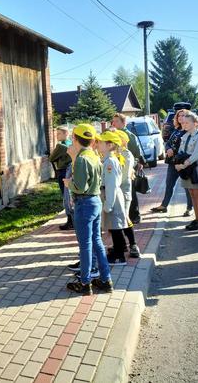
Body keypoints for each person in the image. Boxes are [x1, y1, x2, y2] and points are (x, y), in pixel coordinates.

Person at [64, 124, 113, 295]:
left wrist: (69, 183)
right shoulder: (93, 155)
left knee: (85, 246)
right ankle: (106, 280)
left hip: (84, 203)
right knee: (97, 242)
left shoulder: (81, 159)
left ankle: (85, 283)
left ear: (75, 139)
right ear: (92, 140)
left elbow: (80, 186)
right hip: (95, 201)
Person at [150, 109, 194, 216]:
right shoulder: (176, 129)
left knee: (187, 186)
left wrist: (174, 151)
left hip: (183, 163)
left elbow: (188, 147)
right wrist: (168, 148)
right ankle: (164, 206)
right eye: (179, 116)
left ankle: (189, 208)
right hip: (172, 162)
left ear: (188, 117)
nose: (181, 117)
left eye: (183, 115)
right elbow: (168, 142)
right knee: (169, 184)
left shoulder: (189, 131)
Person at [174, 112, 198, 230]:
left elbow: (196, 155)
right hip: (186, 167)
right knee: (192, 193)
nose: (184, 124)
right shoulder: (184, 136)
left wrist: (182, 166)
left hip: (196, 166)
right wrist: (177, 163)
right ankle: (197, 219)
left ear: (195, 123)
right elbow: (180, 151)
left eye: (186, 122)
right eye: (183, 122)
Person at [98, 131, 128, 265]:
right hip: (111, 196)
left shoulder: (110, 162)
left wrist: (108, 204)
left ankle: (119, 256)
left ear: (110, 145)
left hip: (112, 197)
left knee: (116, 227)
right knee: (114, 226)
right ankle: (118, 249)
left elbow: (111, 184)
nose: (98, 144)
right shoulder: (107, 159)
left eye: (101, 142)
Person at [111, 113, 146, 223]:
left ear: (123, 123)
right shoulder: (113, 134)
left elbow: (136, 152)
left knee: (130, 190)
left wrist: (139, 162)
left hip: (129, 166)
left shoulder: (129, 135)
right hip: (117, 166)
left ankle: (135, 215)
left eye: (116, 121)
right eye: (113, 121)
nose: (113, 123)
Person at [113, 129, 141, 258]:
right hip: (115, 190)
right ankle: (121, 245)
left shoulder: (126, 154)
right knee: (115, 219)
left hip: (123, 191)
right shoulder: (114, 154)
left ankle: (133, 245)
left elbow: (123, 176)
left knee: (124, 217)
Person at [50, 126, 74, 230]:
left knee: (66, 197)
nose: (57, 135)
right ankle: (72, 220)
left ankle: (70, 221)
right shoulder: (71, 144)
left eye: (59, 134)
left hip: (63, 171)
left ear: (66, 134)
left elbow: (51, 158)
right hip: (69, 171)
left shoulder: (60, 146)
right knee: (70, 195)